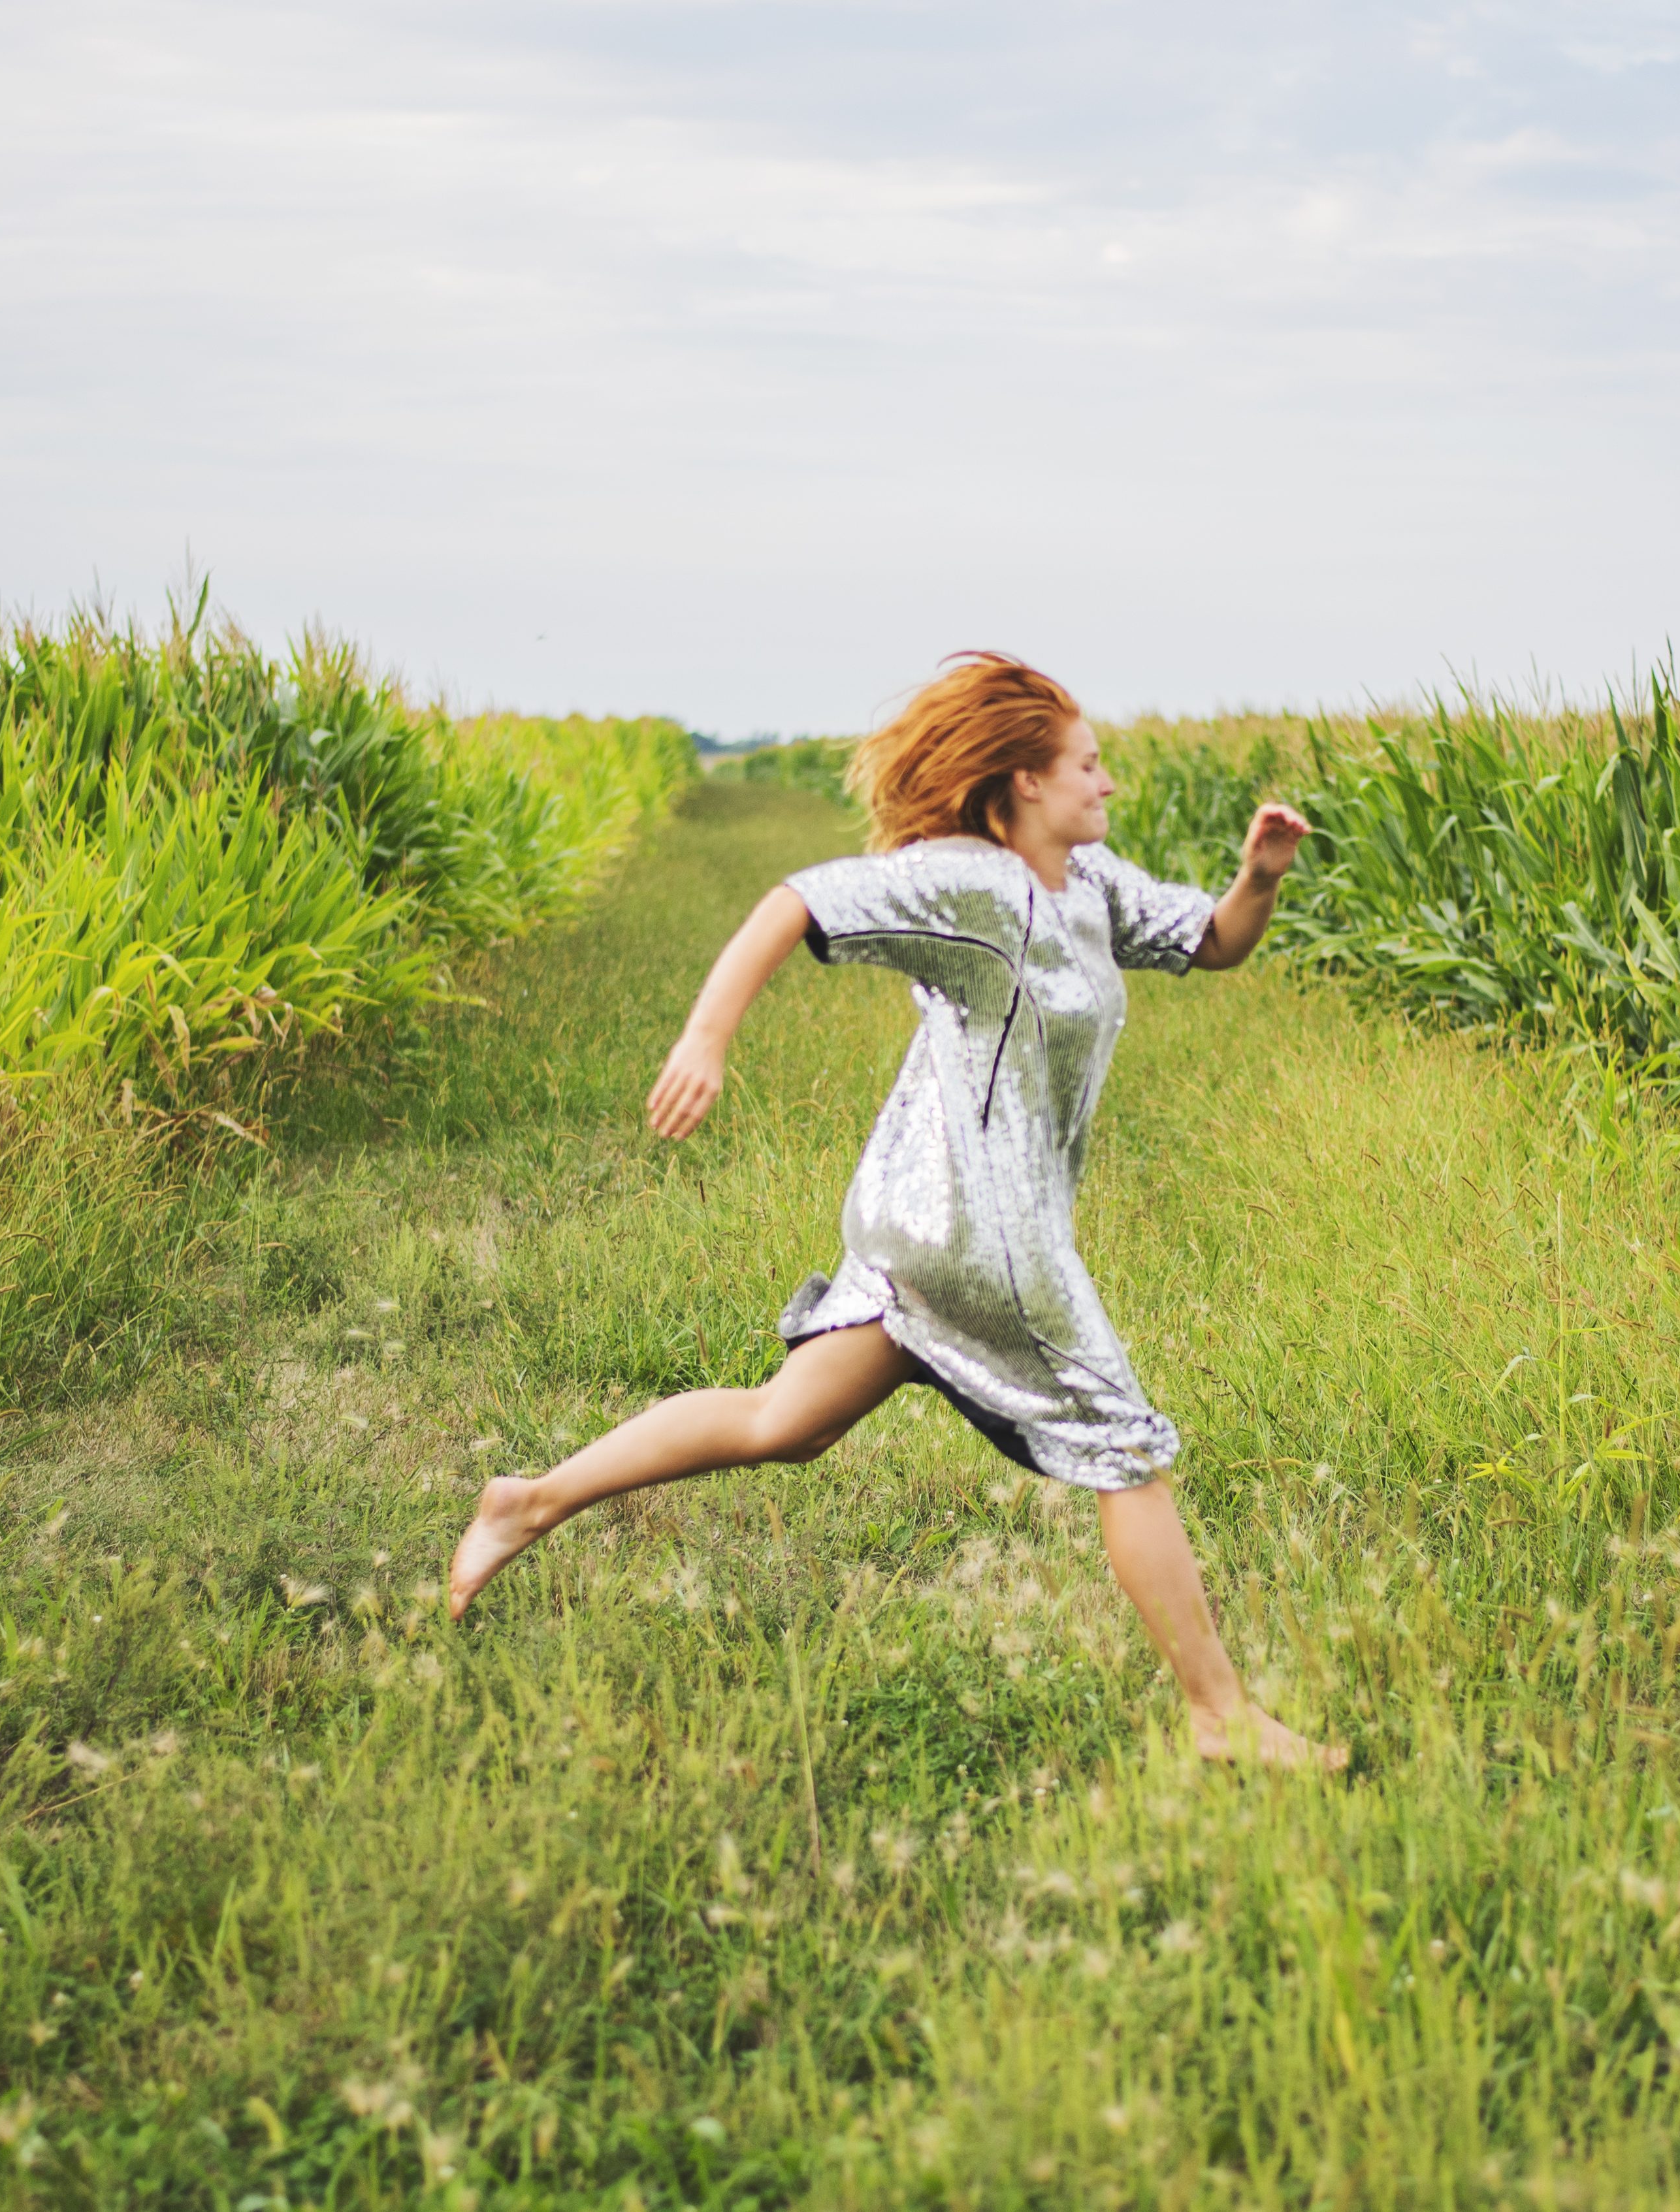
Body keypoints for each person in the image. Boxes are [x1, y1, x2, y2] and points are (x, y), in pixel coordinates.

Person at [445, 652, 1343, 1770]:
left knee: (789, 1424)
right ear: (1024, 781)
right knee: (1123, 1450)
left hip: (917, 1220)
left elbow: (1212, 942)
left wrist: (1258, 875)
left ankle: (530, 1502)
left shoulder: (1088, 885)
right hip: (985, 1243)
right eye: (1089, 766)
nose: (1109, 784)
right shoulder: (976, 885)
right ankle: (1221, 1716)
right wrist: (705, 1038)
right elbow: (799, 899)